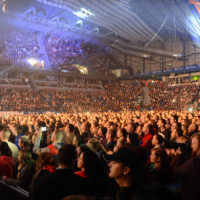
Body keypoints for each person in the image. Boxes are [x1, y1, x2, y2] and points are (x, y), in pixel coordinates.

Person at [174, 133, 200, 200]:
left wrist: (180, 155)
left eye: (193, 144)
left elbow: (177, 172)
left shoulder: (195, 161)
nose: (191, 146)